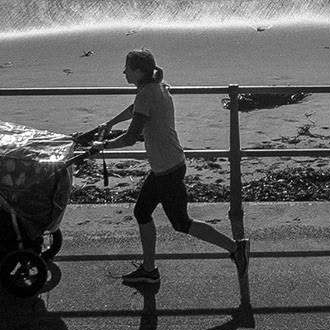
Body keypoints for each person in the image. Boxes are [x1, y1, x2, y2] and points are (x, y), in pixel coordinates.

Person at [76, 49, 244, 286]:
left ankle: (235, 249)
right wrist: (111, 122)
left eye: (127, 68)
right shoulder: (159, 87)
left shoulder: (147, 94)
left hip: (167, 169)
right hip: (169, 165)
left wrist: (101, 146)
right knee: (143, 212)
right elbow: (136, 109)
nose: (124, 72)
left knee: (181, 223)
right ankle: (149, 269)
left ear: (138, 71)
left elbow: (131, 137)